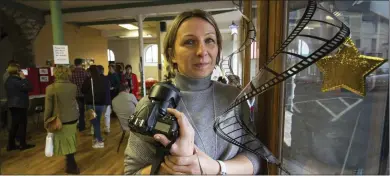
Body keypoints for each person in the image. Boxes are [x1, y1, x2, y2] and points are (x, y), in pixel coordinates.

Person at [124, 9, 261, 175]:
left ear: (218, 48)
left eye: (209, 40)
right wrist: (168, 169)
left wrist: (216, 168)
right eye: (189, 42)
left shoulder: (235, 97)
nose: (202, 51)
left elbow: (254, 156)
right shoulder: (151, 105)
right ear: (171, 54)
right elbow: (131, 172)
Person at [43, 66, 80, 174]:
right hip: (72, 118)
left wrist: (46, 121)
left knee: (65, 143)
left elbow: (48, 107)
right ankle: (70, 165)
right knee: (70, 141)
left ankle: (72, 166)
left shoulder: (50, 88)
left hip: (59, 120)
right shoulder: (73, 87)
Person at [5, 63, 35, 151]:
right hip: (20, 105)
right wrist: (24, 78)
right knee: (22, 125)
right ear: (17, 71)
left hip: (12, 104)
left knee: (14, 125)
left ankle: (11, 145)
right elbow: (30, 87)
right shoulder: (17, 81)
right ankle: (22, 144)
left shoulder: (8, 80)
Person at [81, 65, 110, 148]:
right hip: (101, 105)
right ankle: (97, 138)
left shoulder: (89, 80)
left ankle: (99, 140)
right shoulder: (102, 79)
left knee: (95, 123)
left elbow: (83, 90)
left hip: (91, 105)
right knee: (97, 121)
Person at [70, 58, 89, 132]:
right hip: (85, 94)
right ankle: (86, 125)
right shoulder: (85, 72)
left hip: (76, 94)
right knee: (86, 110)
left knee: (79, 110)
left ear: (75, 64)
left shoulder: (72, 73)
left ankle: (81, 125)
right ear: (81, 63)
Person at [97, 65, 111, 134]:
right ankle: (107, 129)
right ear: (103, 71)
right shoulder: (107, 78)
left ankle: (98, 130)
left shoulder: (95, 79)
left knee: (98, 116)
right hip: (107, 99)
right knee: (107, 115)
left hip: (99, 100)